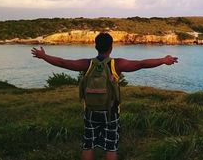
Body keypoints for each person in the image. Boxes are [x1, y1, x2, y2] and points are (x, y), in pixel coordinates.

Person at [31, 32, 178, 160]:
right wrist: (163, 60)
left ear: (96, 46)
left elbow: (63, 63)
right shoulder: (117, 64)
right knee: (111, 146)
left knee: (88, 145)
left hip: (90, 111)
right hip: (111, 112)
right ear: (111, 47)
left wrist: (43, 56)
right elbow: (142, 64)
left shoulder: (87, 64)